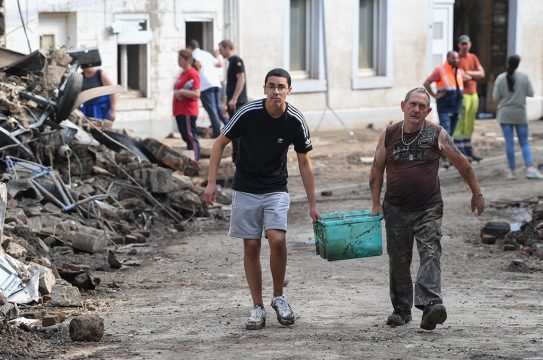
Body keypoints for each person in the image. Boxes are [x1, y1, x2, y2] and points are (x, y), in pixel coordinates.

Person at [203, 68, 320, 330]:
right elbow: (218, 144)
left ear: (289, 90)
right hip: (245, 187)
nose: (276, 91)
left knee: (277, 240)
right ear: (264, 89)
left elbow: (304, 162)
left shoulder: (295, 120)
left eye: (281, 86)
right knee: (252, 246)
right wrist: (211, 183)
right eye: (271, 86)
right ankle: (257, 307)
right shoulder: (248, 112)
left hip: (276, 187)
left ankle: (279, 297)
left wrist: (313, 204)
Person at [369, 87, 485, 331]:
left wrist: (477, 193)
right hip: (395, 208)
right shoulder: (389, 134)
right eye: (413, 104)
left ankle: (431, 305)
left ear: (428, 111)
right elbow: (377, 170)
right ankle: (401, 311)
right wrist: (375, 204)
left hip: (428, 208)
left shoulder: (437, 134)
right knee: (399, 261)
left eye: (422, 106)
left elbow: (463, 165)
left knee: (430, 253)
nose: (417, 109)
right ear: (403, 105)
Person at [492, 55, 543, 180]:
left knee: (509, 143)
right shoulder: (524, 77)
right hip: (520, 113)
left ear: (507, 63)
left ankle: (512, 171)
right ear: (518, 64)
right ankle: (530, 168)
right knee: (524, 142)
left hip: (505, 114)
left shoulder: (500, 78)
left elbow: (495, 97)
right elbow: (531, 93)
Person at [454, 34, 485, 161]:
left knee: (470, 122)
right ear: (459, 45)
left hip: (473, 93)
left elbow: (482, 73)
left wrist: (470, 74)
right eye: (462, 43)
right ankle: (460, 151)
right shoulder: (456, 58)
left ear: (470, 44)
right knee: (462, 122)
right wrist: (473, 75)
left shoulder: (473, 57)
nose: (465, 46)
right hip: (463, 94)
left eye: (466, 43)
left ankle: (468, 150)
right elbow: (461, 76)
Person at [186, 39, 226, 138]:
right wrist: (217, 56)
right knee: (218, 109)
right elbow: (219, 64)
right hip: (216, 83)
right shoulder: (207, 54)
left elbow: (193, 71)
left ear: (189, 47)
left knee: (212, 109)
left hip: (205, 85)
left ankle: (217, 133)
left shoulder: (192, 56)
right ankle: (231, 127)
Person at [218, 39, 248, 163]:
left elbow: (241, 79)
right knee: (234, 134)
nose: (220, 52)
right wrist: (227, 103)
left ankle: (240, 161)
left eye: (221, 49)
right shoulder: (231, 62)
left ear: (227, 48)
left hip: (238, 104)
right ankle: (237, 161)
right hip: (233, 104)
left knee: (238, 134)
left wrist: (234, 99)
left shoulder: (236, 61)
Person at [423, 51, 464, 136]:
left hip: (457, 105)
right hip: (444, 105)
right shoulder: (440, 70)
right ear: (448, 58)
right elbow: (426, 83)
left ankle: (443, 147)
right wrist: (434, 95)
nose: (456, 60)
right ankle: (442, 148)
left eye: (457, 58)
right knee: (446, 131)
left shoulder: (459, 70)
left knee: (451, 132)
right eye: (453, 58)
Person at [173, 49, 201, 161]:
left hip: (188, 110)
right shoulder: (182, 73)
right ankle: (190, 161)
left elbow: (196, 93)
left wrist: (181, 92)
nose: (178, 61)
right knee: (185, 137)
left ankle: (196, 160)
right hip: (180, 110)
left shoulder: (192, 73)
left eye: (180, 59)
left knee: (191, 137)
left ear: (187, 60)